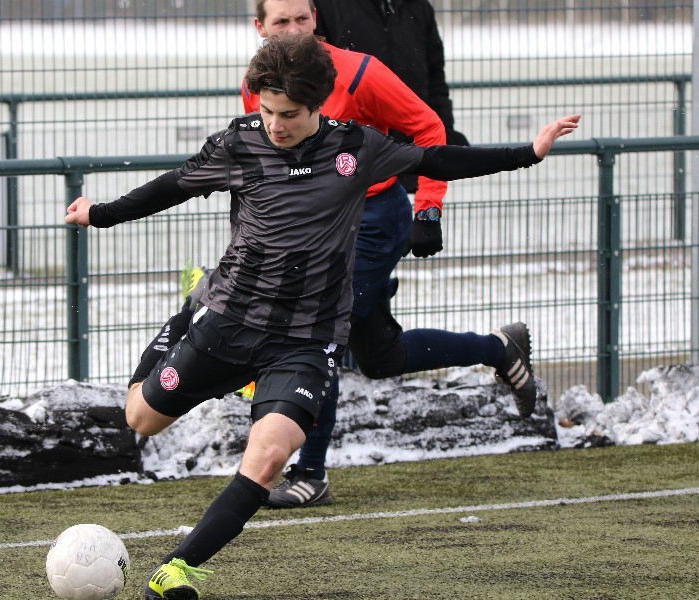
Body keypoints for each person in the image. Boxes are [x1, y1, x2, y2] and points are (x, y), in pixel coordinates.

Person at [65, 33, 580, 599]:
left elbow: (437, 157)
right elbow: (172, 187)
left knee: (268, 459)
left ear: (319, 107)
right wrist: (102, 213)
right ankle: (190, 310)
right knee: (141, 419)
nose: (275, 125)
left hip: (305, 342)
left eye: (288, 114)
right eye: (266, 111)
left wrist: (526, 153)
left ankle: (173, 573)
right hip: (230, 321)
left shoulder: (356, 148)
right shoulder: (238, 143)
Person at [268, 0, 472, 508]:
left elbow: (430, 120)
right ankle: (499, 349)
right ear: (260, 28)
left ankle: (309, 473)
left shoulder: (360, 70)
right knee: (380, 355)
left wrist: (429, 205)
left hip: (375, 222)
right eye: (280, 21)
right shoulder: (258, 81)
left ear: (316, 20)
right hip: (317, 231)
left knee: (317, 337)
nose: (293, 30)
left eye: (300, 19)